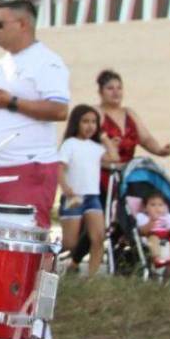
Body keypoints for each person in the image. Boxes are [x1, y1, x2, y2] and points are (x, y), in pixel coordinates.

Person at [0, 0, 70, 229]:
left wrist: (12, 101)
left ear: (23, 24)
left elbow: (59, 109)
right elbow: (1, 111)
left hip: (25, 166)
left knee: (23, 239)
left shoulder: (46, 62)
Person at [95, 69, 170, 193]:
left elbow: (146, 138)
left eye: (119, 88)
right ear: (100, 92)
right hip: (103, 175)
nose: (116, 92)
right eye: (110, 88)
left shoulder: (129, 113)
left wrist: (159, 150)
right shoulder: (96, 113)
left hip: (128, 175)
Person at [58, 105, 113, 277]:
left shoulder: (96, 147)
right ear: (76, 123)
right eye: (85, 121)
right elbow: (59, 168)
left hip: (92, 197)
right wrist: (66, 189)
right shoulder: (69, 144)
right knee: (70, 243)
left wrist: (105, 139)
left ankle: (91, 279)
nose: (90, 126)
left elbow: (114, 158)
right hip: (74, 197)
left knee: (98, 238)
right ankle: (49, 262)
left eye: (94, 122)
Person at [134, 190, 170, 279]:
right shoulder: (143, 217)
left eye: (160, 205)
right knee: (154, 239)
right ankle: (158, 259)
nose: (157, 208)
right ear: (145, 208)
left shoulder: (168, 217)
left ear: (165, 207)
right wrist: (151, 222)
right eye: (153, 205)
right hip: (152, 237)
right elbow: (142, 231)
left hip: (167, 237)